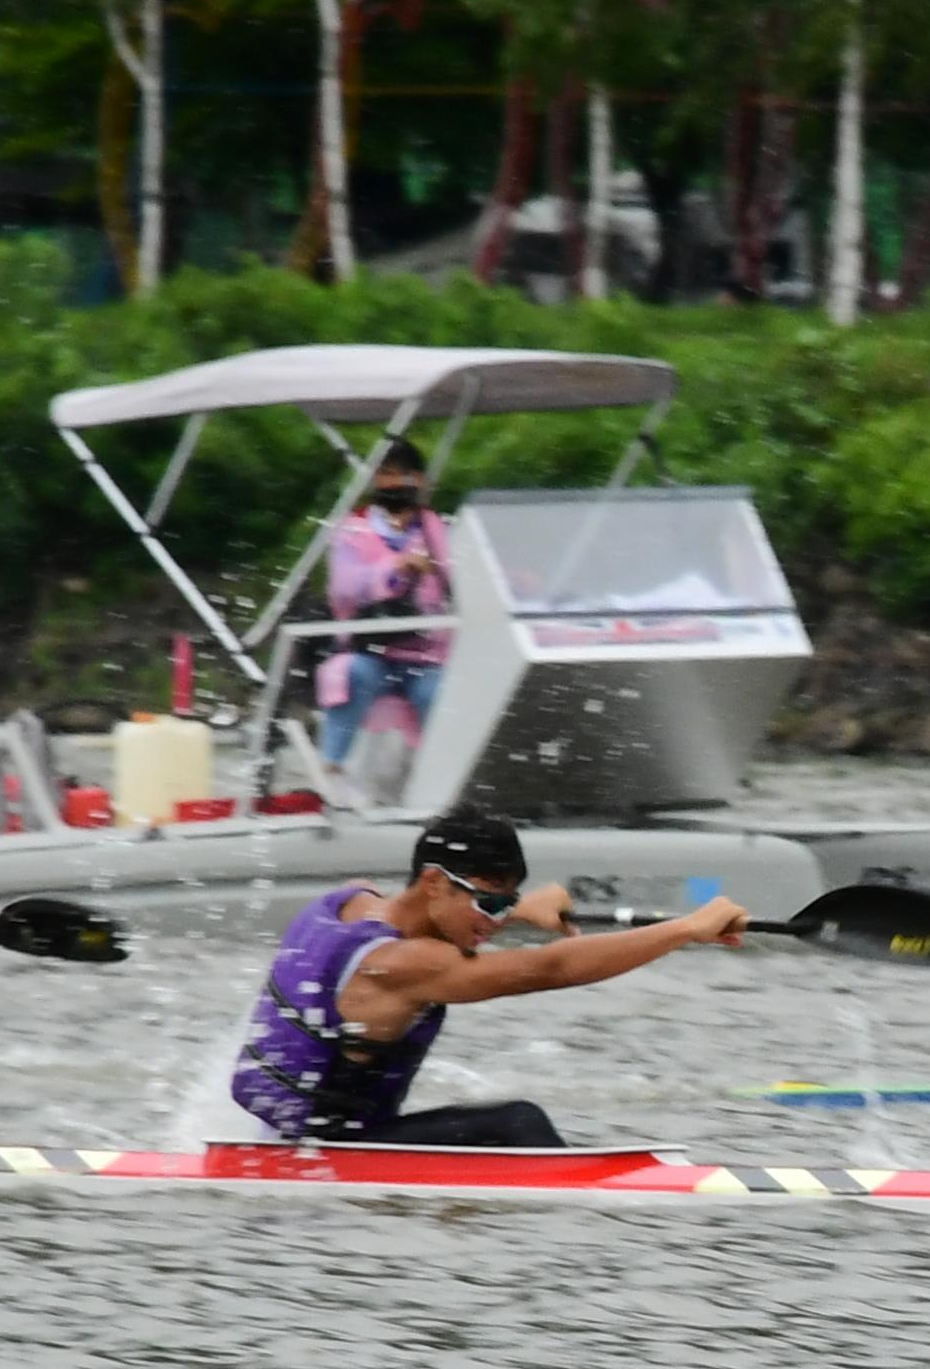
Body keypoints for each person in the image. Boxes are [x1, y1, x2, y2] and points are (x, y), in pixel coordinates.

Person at [232, 807, 745, 1148]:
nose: (495, 920)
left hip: (288, 1138)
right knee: (517, 1124)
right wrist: (687, 928)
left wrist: (516, 909)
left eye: (505, 903)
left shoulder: (350, 899)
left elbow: (421, 916)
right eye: (489, 901)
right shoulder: (406, 966)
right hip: (332, 1155)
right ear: (434, 882)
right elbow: (553, 966)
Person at [318, 437, 451, 783]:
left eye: (400, 474)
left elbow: (459, 574)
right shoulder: (353, 529)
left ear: (418, 480)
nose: (391, 483)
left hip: (425, 655)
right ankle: (329, 771)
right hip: (372, 648)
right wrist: (396, 568)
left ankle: (440, 781)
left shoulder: (434, 529)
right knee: (353, 676)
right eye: (384, 474)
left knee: (440, 692)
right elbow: (344, 586)